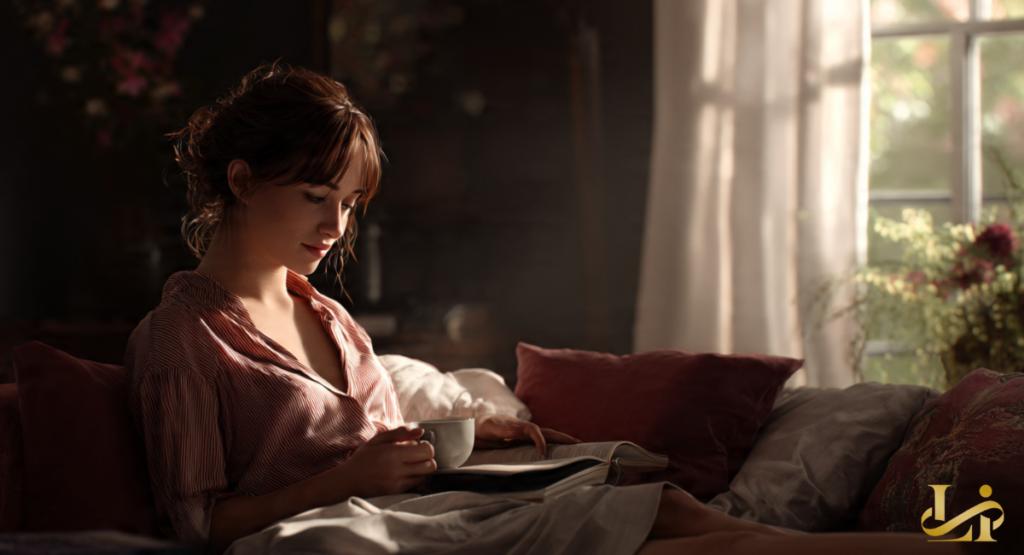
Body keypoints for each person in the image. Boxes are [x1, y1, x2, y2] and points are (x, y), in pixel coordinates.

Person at [124, 62, 966, 555]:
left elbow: (382, 447)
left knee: (645, 496)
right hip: (326, 540)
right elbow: (197, 524)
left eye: (348, 203)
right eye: (316, 196)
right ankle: (949, 545)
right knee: (647, 526)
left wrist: (461, 440)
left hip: (398, 510)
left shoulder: (333, 319)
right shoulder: (180, 339)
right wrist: (348, 478)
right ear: (241, 180)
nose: (335, 226)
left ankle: (943, 539)